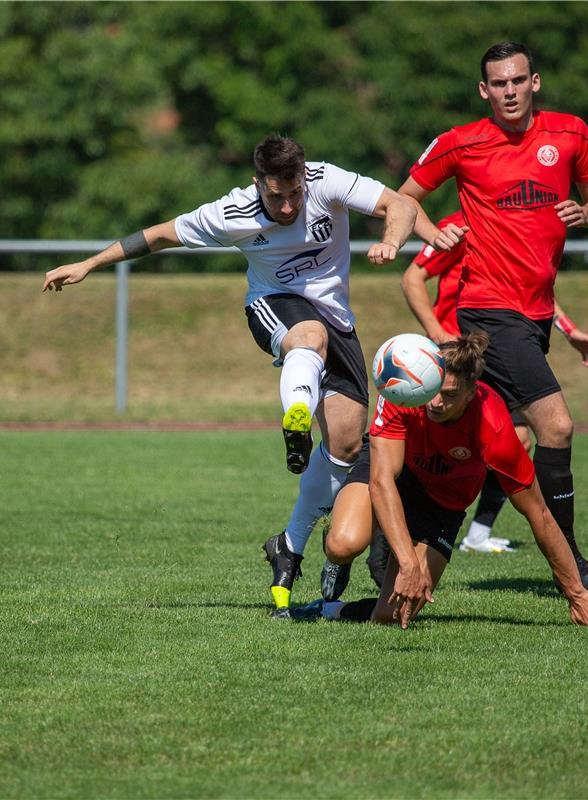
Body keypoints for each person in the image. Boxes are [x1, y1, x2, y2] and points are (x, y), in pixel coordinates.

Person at [42, 134, 417, 617]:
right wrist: (90, 264)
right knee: (308, 337)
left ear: (305, 177)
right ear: (257, 183)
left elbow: (399, 203)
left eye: (294, 193)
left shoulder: (327, 181)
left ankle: (288, 543)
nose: (286, 206)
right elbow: (156, 236)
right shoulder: (232, 213)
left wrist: (390, 240)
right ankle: (296, 412)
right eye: (275, 195)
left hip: (339, 320)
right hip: (274, 307)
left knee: (346, 445)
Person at [397, 42, 588, 595]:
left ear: (535, 82)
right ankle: (571, 564)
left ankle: (394, 542)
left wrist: (585, 213)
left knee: (477, 431)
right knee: (556, 426)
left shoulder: (570, 135)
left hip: (536, 314)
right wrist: (434, 232)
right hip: (489, 312)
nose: (509, 91)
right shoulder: (461, 142)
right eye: (498, 83)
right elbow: (402, 197)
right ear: (484, 91)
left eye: (518, 80)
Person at [298, 332, 588, 630]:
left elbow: (540, 515)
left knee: (393, 616)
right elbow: (383, 481)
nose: (436, 402)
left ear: (472, 389)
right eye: (434, 390)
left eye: (450, 395)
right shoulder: (406, 388)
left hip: (442, 503)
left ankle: (328, 609)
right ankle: (344, 555)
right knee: (343, 544)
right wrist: (409, 562)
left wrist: (575, 593)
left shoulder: (492, 427)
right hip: (395, 472)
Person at [400, 208, 588, 555]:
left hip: (496, 353)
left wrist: (569, 330)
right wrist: (438, 334)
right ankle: (416, 519)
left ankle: (476, 533)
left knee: (519, 438)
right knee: (448, 441)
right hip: (457, 360)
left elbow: (531, 294)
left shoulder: (510, 231)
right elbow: (412, 279)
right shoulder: (459, 226)